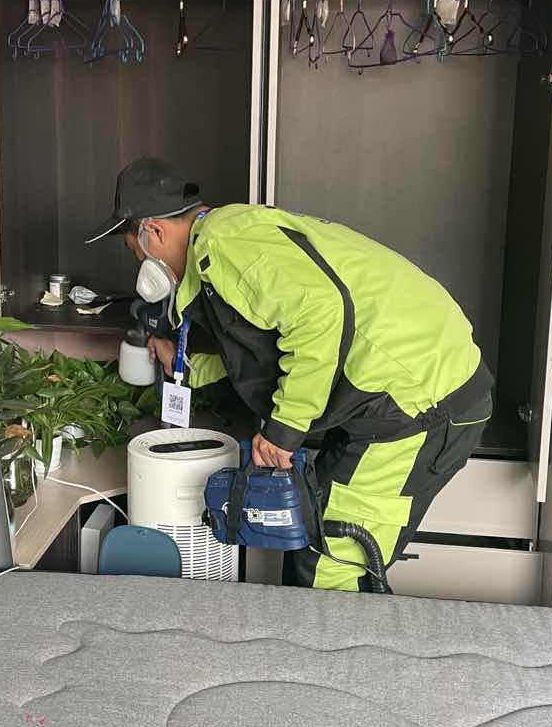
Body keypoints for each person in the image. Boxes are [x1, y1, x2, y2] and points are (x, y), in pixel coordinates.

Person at [86, 158, 492, 591]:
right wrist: (188, 367)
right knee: (318, 544)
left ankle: (334, 638)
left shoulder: (224, 245)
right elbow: (271, 346)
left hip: (416, 403)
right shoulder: (230, 236)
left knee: (331, 565)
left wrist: (283, 430)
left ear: (154, 231)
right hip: (402, 395)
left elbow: (320, 314)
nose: (141, 264)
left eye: (134, 250)